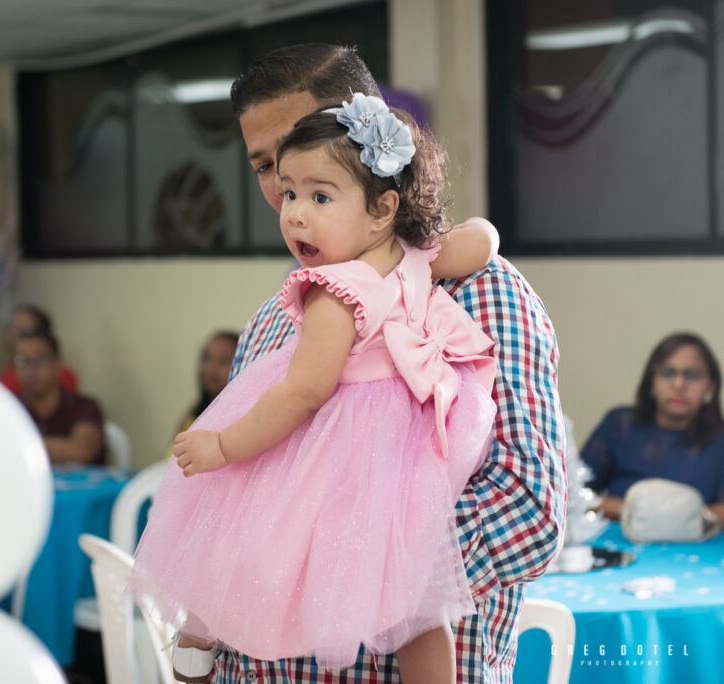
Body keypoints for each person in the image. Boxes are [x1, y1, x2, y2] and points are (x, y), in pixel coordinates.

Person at [205, 44, 565, 682]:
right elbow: (235, 501)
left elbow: (526, 507)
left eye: (306, 143)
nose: (286, 181)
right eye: (267, 166)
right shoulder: (274, 322)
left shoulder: (479, 294)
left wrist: (364, 565)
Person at [131, 93, 499, 683]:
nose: (295, 213)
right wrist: (441, 236)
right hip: (399, 443)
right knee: (413, 597)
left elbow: (302, 394)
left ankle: (198, 639)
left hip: (338, 439)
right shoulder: (414, 258)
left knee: (243, 514)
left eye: (320, 197)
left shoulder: (333, 290)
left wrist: (224, 445)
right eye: (290, 193)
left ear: (381, 210)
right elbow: (481, 238)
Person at [583, 332, 724, 521]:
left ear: (710, 387)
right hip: (614, 543)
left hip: (695, 547)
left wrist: (680, 520)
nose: (679, 384)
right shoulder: (619, 424)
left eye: (691, 374)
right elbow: (576, 492)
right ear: (651, 380)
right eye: (668, 372)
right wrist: (632, 511)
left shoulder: (720, 440)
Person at [14, 329, 105, 465]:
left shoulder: (84, 406)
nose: (31, 369)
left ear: (58, 363)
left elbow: (81, 451)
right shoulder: (11, 408)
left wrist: (19, 445)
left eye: (40, 360)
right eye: (22, 361)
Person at [0, 304, 79, 395]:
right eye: (14, 326)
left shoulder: (62, 376)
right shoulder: (7, 373)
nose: (17, 333)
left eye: (27, 327)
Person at [178, 331, 240, 433]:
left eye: (223, 360)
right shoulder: (194, 413)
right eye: (208, 358)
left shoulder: (240, 417)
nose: (212, 368)